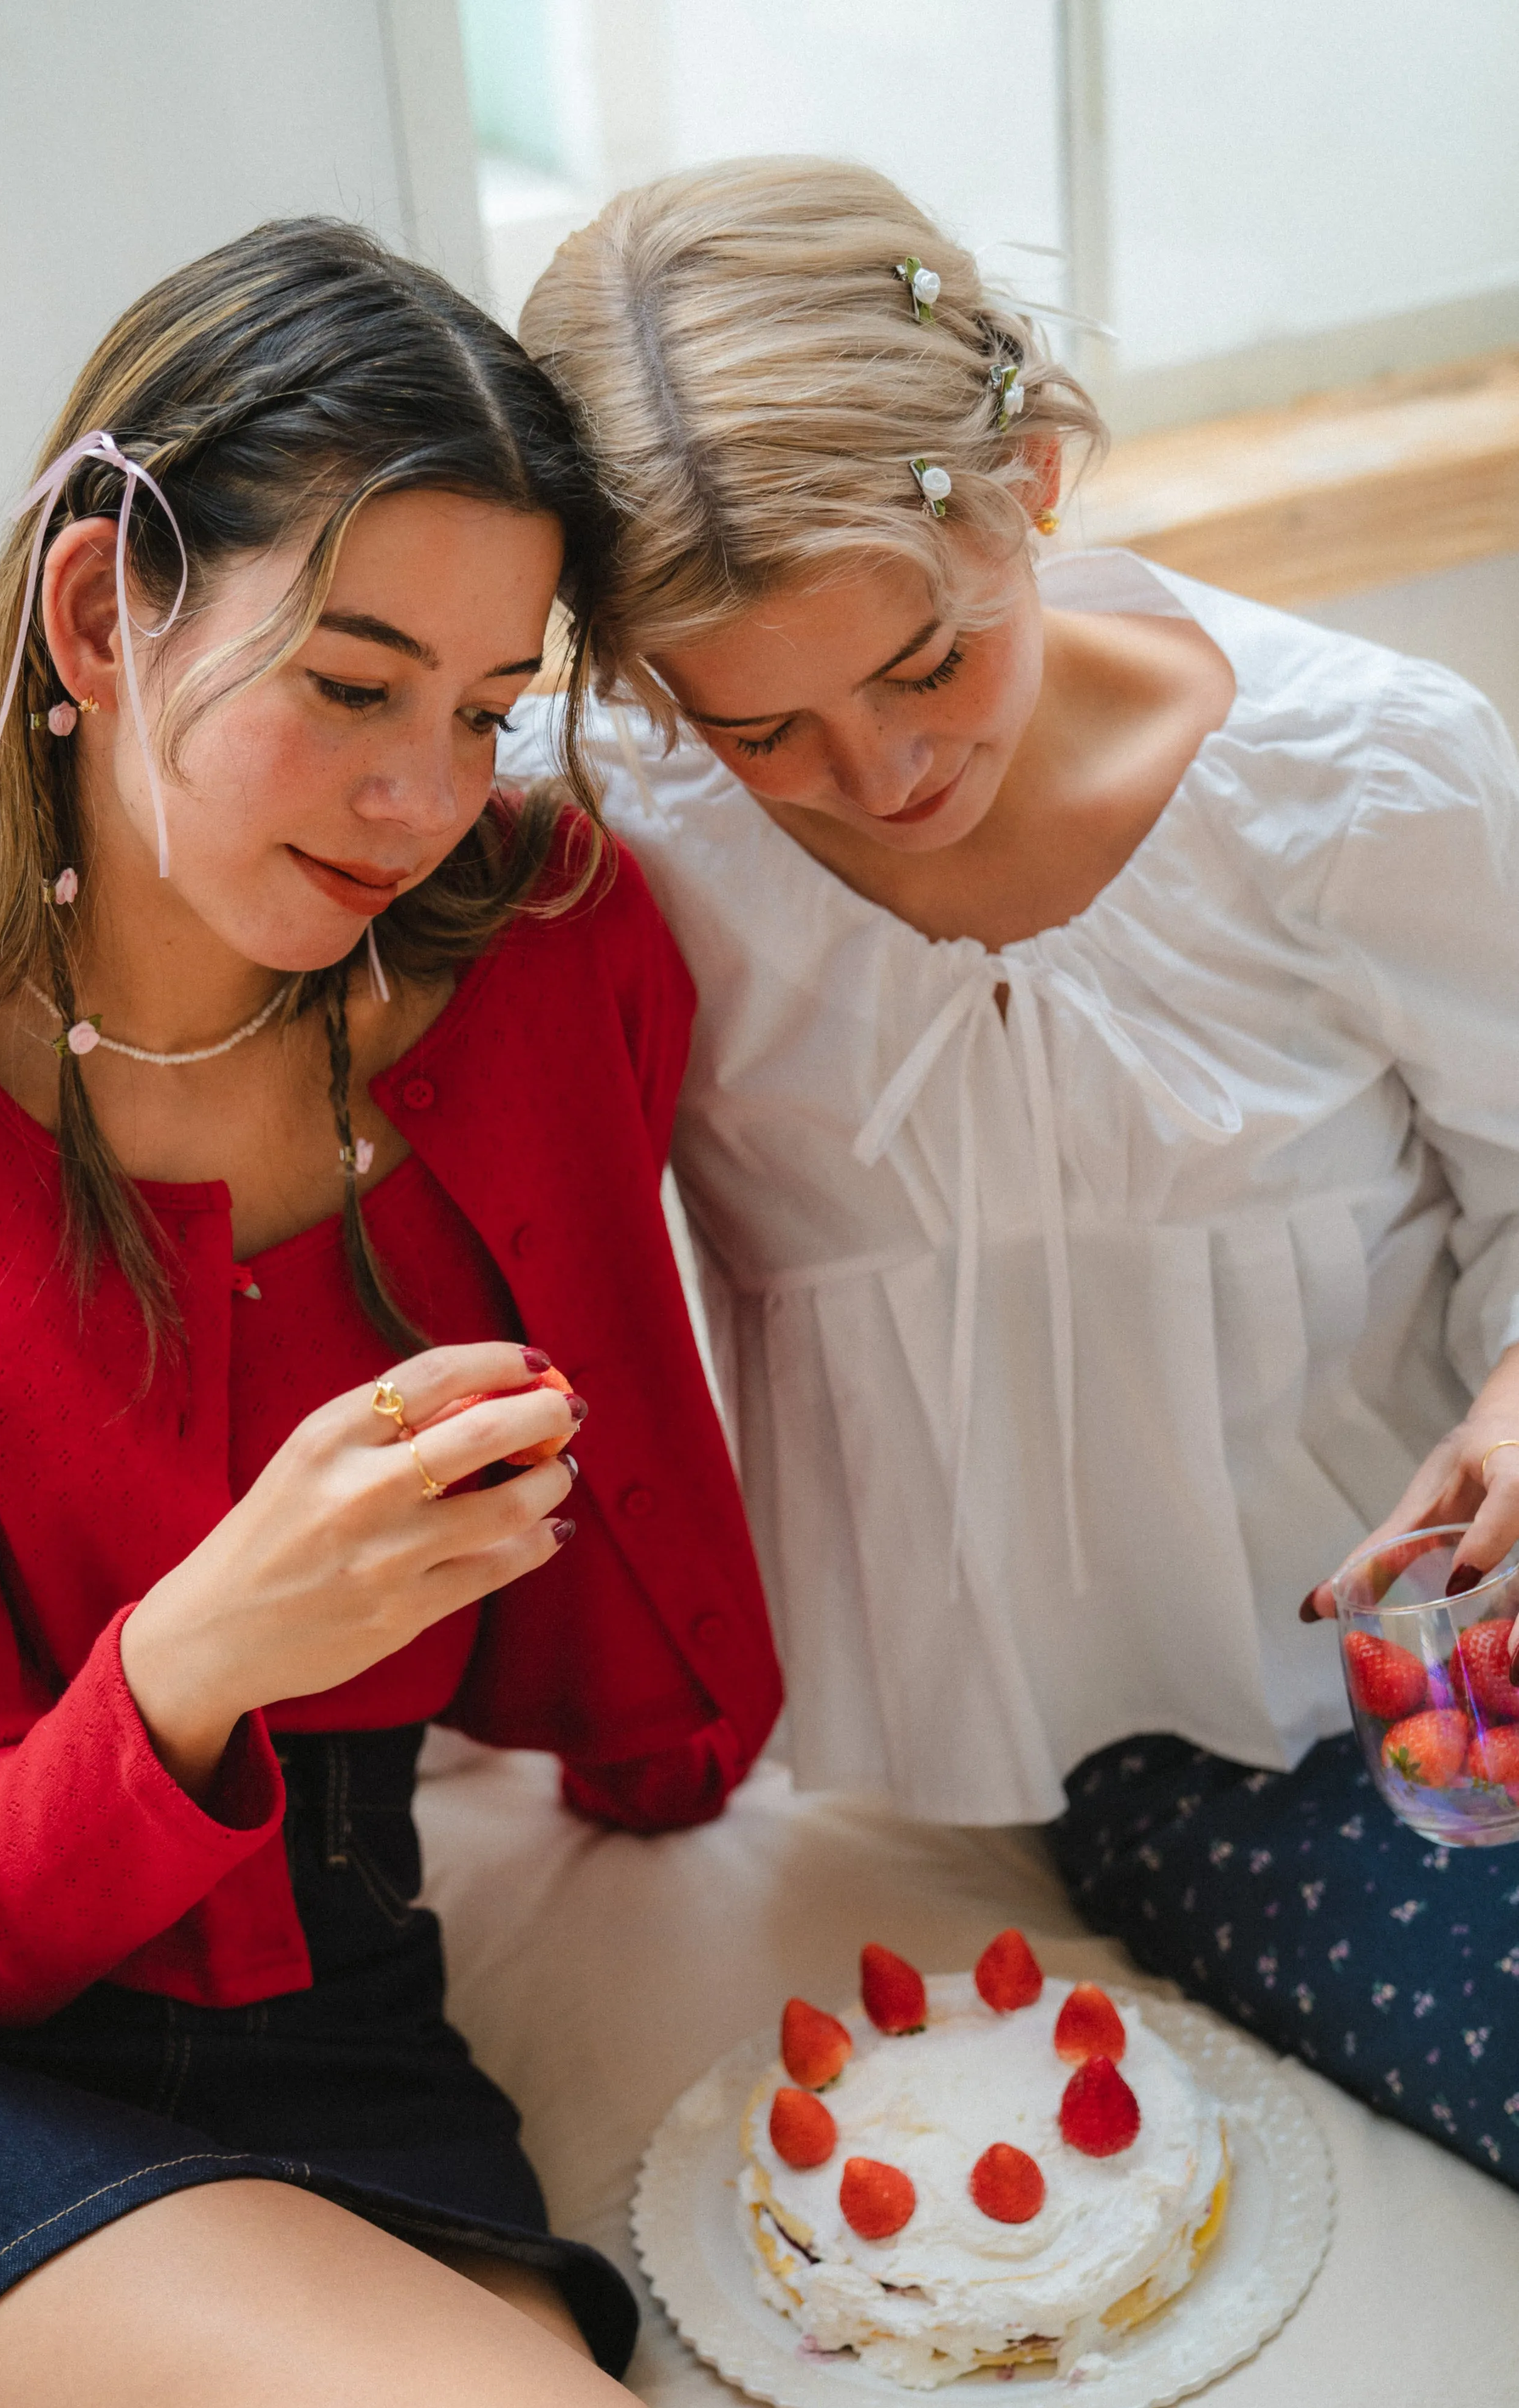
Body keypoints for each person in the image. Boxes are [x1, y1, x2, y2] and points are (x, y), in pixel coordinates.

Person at [0, 218, 780, 2408]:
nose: (423, 799)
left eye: (486, 710)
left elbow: (663, 1700)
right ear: (101, 611)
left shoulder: (548, 954)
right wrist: (213, 1643)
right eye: (350, 683)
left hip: (336, 2004)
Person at [506, 156, 1519, 2186]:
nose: (877, 773)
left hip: (1453, 1614)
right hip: (1204, 1725)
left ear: (1031, 483)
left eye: (925, 662)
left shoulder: (1360, 780)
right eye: (761, 728)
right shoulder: (609, 849)